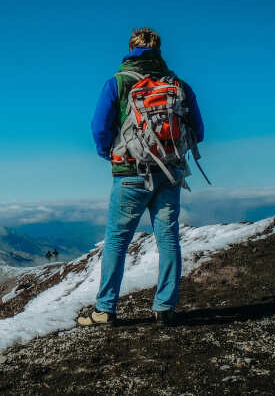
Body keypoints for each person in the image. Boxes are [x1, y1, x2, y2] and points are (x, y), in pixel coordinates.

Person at [77, 27, 204, 327]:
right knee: (169, 238)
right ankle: (164, 308)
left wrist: (107, 151)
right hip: (170, 172)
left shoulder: (117, 83)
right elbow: (199, 130)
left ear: (130, 49)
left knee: (117, 243)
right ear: (159, 50)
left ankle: (105, 310)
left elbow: (99, 127)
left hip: (130, 173)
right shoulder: (178, 84)